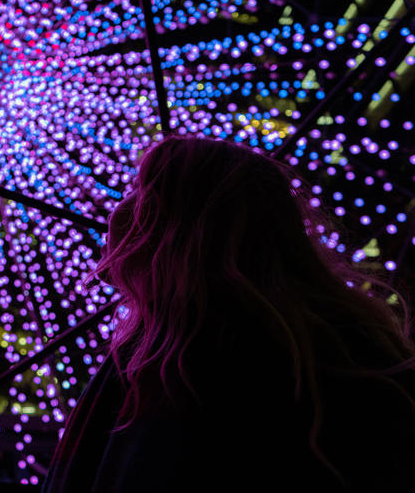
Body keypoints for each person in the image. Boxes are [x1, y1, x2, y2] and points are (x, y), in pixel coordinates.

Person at [41, 135, 415, 491]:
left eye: (140, 194)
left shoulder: (196, 361)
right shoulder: (319, 351)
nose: (118, 209)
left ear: (183, 229)